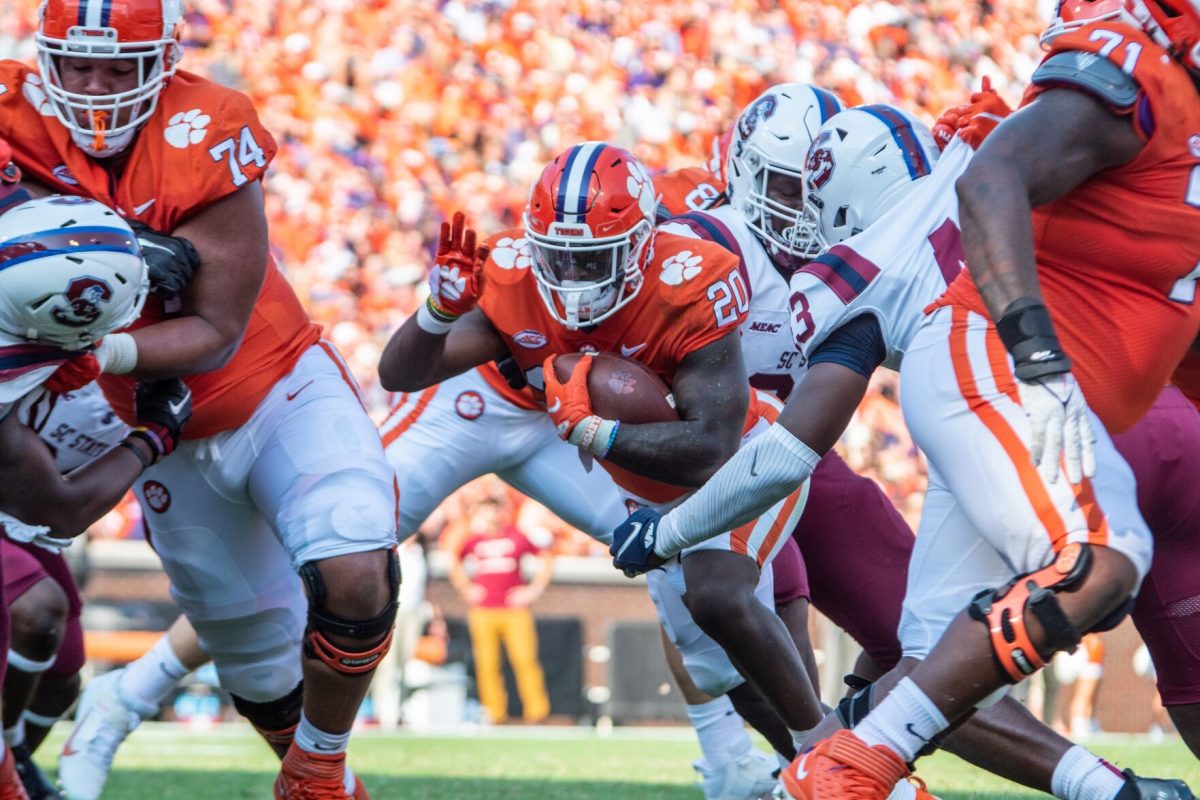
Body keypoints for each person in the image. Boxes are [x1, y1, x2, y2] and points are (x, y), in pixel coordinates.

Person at [614, 86, 1193, 799]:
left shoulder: (859, 268)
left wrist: (669, 529)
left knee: (1059, 588)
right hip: (1142, 392)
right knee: (953, 650)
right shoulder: (979, 161)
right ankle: (1100, 788)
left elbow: (787, 455)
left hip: (1008, 389)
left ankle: (847, 760)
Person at [770, 0, 1200, 794]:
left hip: (1034, 378)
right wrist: (1034, 347)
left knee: (941, 662)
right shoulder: (1138, 67)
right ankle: (853, 764)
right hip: (1000, 354)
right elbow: (991, 179)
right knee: (1104, 557)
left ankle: (838, 770)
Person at [0, 3, 401, 797]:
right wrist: (86, 248)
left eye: (120, 69)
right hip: (161, 429)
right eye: (77, 67)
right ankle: (321, 775)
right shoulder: (11, 114)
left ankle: (319, 769)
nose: (95, 89)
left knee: (354, 558)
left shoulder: (210, 122)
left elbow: (216, 331)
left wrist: (99, 331)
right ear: (44, 58)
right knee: (257, 669)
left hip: (275, 381)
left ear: (165, 59)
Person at [379, 142, 823, 769]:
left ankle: (830, 762)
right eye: (556, 256)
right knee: (716, 662)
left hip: (736, 456)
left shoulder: (692, 279)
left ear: (643, 242)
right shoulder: (514, 276)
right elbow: (400, 374)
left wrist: (594, 434)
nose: (571, 277)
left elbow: (711, 447)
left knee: (721, 599)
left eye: (592, 261)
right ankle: (816, 765)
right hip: (628, 467)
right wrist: (438, 311)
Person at [0, 192, 191, 800]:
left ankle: (17, 758)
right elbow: (59, 508)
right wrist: (152, 438)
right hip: (26, 499)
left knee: (63, 671)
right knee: (36, 609)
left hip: (21, 501)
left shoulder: (29, 320)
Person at [449, 494, 552, 725]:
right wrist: (465, 587)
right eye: (486, 509)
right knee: (487, 664)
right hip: (483, 609)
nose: (491, 514)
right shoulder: (473, 540)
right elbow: (454, 560)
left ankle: (537, 712)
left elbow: (546, 558)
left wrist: (533, 590)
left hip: (514, 610)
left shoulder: (516, 537)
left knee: (525, 659)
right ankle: (495, 713)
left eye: (495, 509)